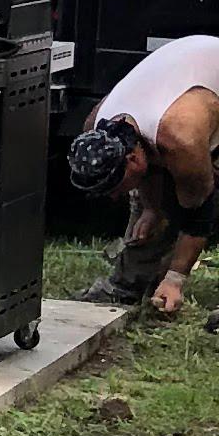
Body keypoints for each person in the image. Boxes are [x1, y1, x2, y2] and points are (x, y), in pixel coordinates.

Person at [68, 34, 219, 316]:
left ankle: (167, 286)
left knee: (194, 189)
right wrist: (151, 208)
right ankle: (128, 286)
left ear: (132, 159)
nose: (114, 196)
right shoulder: (98, 124)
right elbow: (149, 165)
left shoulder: (180, 137)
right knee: (147, 212)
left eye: (115, 185)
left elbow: (200, 211)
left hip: (199, 95)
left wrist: (175, 279)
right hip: (187, 76)